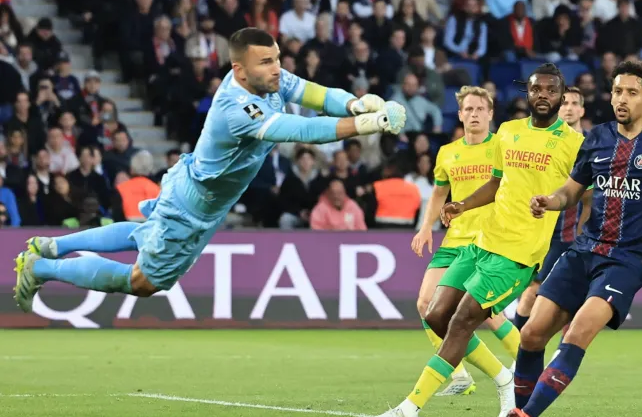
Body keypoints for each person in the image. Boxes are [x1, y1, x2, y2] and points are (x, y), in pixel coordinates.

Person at [15, 28, 406, 310]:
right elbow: (299, 128)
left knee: (142, 234)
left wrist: (355, 104)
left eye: (277, 60)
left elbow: (312, 93)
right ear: (239, 70)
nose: (276, 69)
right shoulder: (238, 108)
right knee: (143, 282)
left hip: (196, 189)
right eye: (267, 62)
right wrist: (364, 124)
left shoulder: (266, 79)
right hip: (194, 206)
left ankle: (53, 246)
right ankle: (43, 268)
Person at [497, 60, 642, 417]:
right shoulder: (596, 138)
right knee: (530, 334)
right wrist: (550, 201)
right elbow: (570, 192)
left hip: (630, 259)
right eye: (617, 91)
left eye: (631, 92)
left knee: (579, 330)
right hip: (585, 250)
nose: (622, 99)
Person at [363, 65, 584, 417]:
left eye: (550, 90)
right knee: (434, 315)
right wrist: (462, 205)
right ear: (527, 95)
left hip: (517, 253)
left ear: (562, 97)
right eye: (536, 89)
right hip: (478, 243)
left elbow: (580, 193)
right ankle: (504, 379)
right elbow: (497, 184)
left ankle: (409, 409)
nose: (543, 95)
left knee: (463, 320)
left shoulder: (574, 143)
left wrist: (558, 206)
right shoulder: (508, 133)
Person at [410, 85, 522, 398]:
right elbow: (438, 193)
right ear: (460, 115)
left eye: (479, 109)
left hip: (489, 240)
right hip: (455, 238)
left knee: (486, 313)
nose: (473, 114)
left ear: (490, 114)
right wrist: (425, 227)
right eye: (468, 110)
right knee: (425, 304)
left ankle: (526, 366)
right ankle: (459, 374)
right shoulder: (448, 153)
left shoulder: (502, 147)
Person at [513, 86, 591, 332]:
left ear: (581, 110)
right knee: (530, 295)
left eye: (573, 103)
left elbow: (590, 197)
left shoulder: (590, 146)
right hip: (540, 230)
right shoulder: (544, 141)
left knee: (570, 302)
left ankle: (555, 362)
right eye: (564, 102)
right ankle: (521, 355)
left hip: (573, 235)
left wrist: (584, 234)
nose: (568, 108)